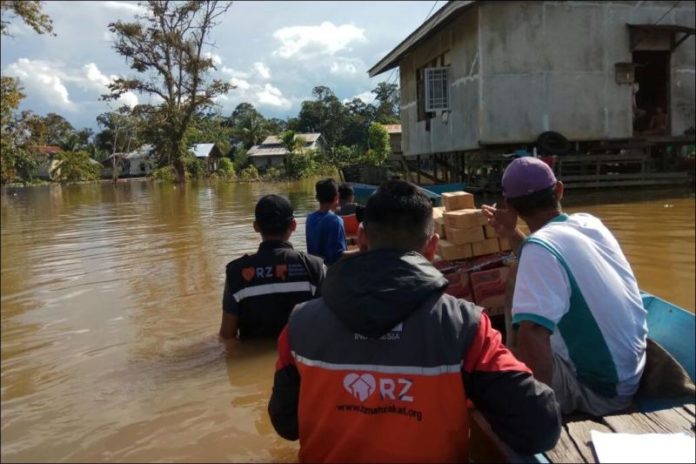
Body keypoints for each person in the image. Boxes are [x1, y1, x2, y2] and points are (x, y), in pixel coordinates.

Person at [268, 180, 561, 462]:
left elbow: (286, 425)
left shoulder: (299, 324)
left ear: (364, 240)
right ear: (432, 248)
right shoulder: (465, 326)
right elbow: (540, 427)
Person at [482, 157, 647, 416]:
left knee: (484, 372)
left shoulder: (539, 249)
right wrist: (512, 233)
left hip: (599, 391)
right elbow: (541, 251)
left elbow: (534, 334)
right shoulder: (589, 223)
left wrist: (538, 411)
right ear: (559, 189)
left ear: (510, 205)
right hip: (631, 373)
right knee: (519, 266)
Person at [219, 194, 325, 340]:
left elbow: (227, 335)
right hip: (299, 357)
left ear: (256, 226)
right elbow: (327, 323)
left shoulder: (235, 272)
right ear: (293, 225)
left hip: (251, 358)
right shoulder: (314, 267)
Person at [305, 178, 348, 265]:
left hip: (315, 270)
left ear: (317, 198)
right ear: (337, 196)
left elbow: (322, 242)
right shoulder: (336, 220)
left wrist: (351, 241)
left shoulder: (310, 218)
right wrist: (362, 249)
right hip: (333, 273)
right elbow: (339, 256)